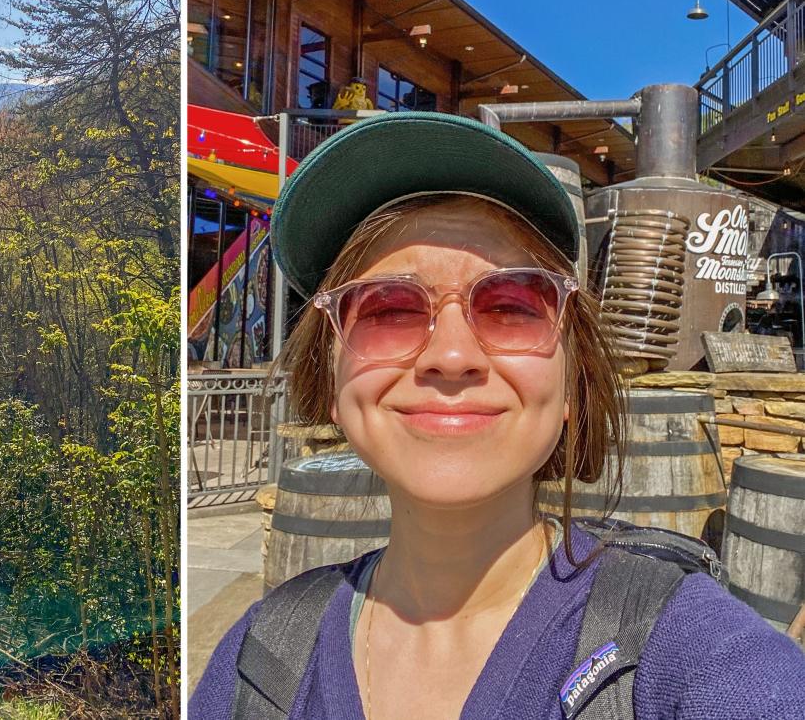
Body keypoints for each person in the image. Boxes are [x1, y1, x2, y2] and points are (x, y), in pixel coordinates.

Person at [189, 112, 805, 719]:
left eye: (511, 305)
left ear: (570, 385)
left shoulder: (693, 656)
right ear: (331, 381)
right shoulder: (256, 660)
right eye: (388, 310)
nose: (452, 356)